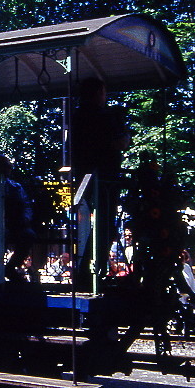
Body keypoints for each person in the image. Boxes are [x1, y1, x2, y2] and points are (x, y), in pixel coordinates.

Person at [70, 77, 131, 286]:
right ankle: (91, 274)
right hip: (103, 178)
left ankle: (89, 272)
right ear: (98, 93)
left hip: (88, 177)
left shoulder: (77, 116)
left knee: (102, 225)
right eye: (103, 92)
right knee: (106, 226)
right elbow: (119, 143)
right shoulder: (104, 116)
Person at [0, 154, 37, 282]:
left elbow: (26, 204)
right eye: (7, 167)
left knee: (28, 235)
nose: (10, 169)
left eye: (9, 167)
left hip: (15, 224)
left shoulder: (16, 187)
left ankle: (10, 268)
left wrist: (26, 218)